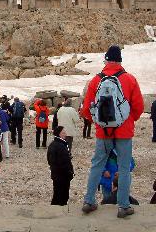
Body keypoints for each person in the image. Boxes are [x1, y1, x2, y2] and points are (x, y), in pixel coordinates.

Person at [80, 45, 143, 218]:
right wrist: (128, 121)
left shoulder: (96, 80)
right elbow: (138, 107)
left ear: (106, 60)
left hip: (103, 132)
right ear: (120, 60)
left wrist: (100, 123)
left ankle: (89, 201)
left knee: (97, 165)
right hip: (124, 132)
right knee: (124, 168)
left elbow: (86, 109)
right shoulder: (130, 79)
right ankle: (123, 206)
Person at [47, 126, 74, 206]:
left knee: (57, 194)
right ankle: (59, 213)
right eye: (63, 132)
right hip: (62, 175)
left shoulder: (53, 144)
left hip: (56, 174)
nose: (65, 134)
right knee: (63, 196)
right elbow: (64, 162)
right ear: (59, 134)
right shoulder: (61, 146)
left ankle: (54, 210)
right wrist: (69, 173)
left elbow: (50, 160)